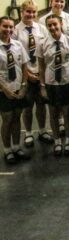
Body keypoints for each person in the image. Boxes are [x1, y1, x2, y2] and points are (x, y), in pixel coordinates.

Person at [40, 15, 69, 157]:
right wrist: (42, 86)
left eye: (55, 24)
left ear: (61, 24)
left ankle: (68, 140)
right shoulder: (43, 43)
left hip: (67, 82)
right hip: (51, 83)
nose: (52, 27)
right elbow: (41, 66)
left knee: (67, 113)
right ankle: (57, 141)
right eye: (49, 25)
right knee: (53, 114)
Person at [14, 1, 52, 149]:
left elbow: (47, 50)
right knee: (28, 106)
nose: (31, 14)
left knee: (41, 104)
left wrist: (42, 73)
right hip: (25, 74)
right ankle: (29, 133)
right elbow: (15, 56)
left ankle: (42, 130)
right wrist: (27, 74)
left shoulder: (41, 29)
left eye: (33, 12)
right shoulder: (15, 31)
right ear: (21, 12)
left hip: (40, 72)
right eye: (28, 11)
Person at [0, 16, 31, 164]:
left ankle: (16, 147)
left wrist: (24, 85)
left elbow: (24, 65)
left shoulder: (17, 45)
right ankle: (7, 150)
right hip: (3, 91)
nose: (8, 30)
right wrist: (4, 89)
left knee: (17, 117)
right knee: (7, 119)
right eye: (5, 26)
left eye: (11, 27)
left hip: (18, 88)